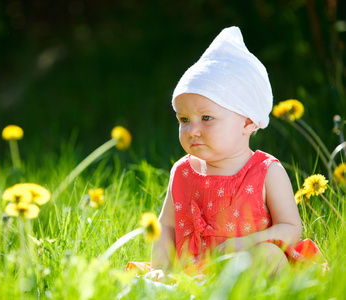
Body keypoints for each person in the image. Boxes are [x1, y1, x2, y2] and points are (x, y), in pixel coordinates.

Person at [126, 26, 327, 281]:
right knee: (145, 283)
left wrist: (248, 243)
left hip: (251, 270)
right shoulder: (183, 171)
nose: (192, 130)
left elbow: (290, 227)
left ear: (248, 122)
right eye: (184, 119)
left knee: (268, 255)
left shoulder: (266, 172)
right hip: (194, 274)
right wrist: (161, 268)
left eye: (206, 118)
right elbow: (166, 225)